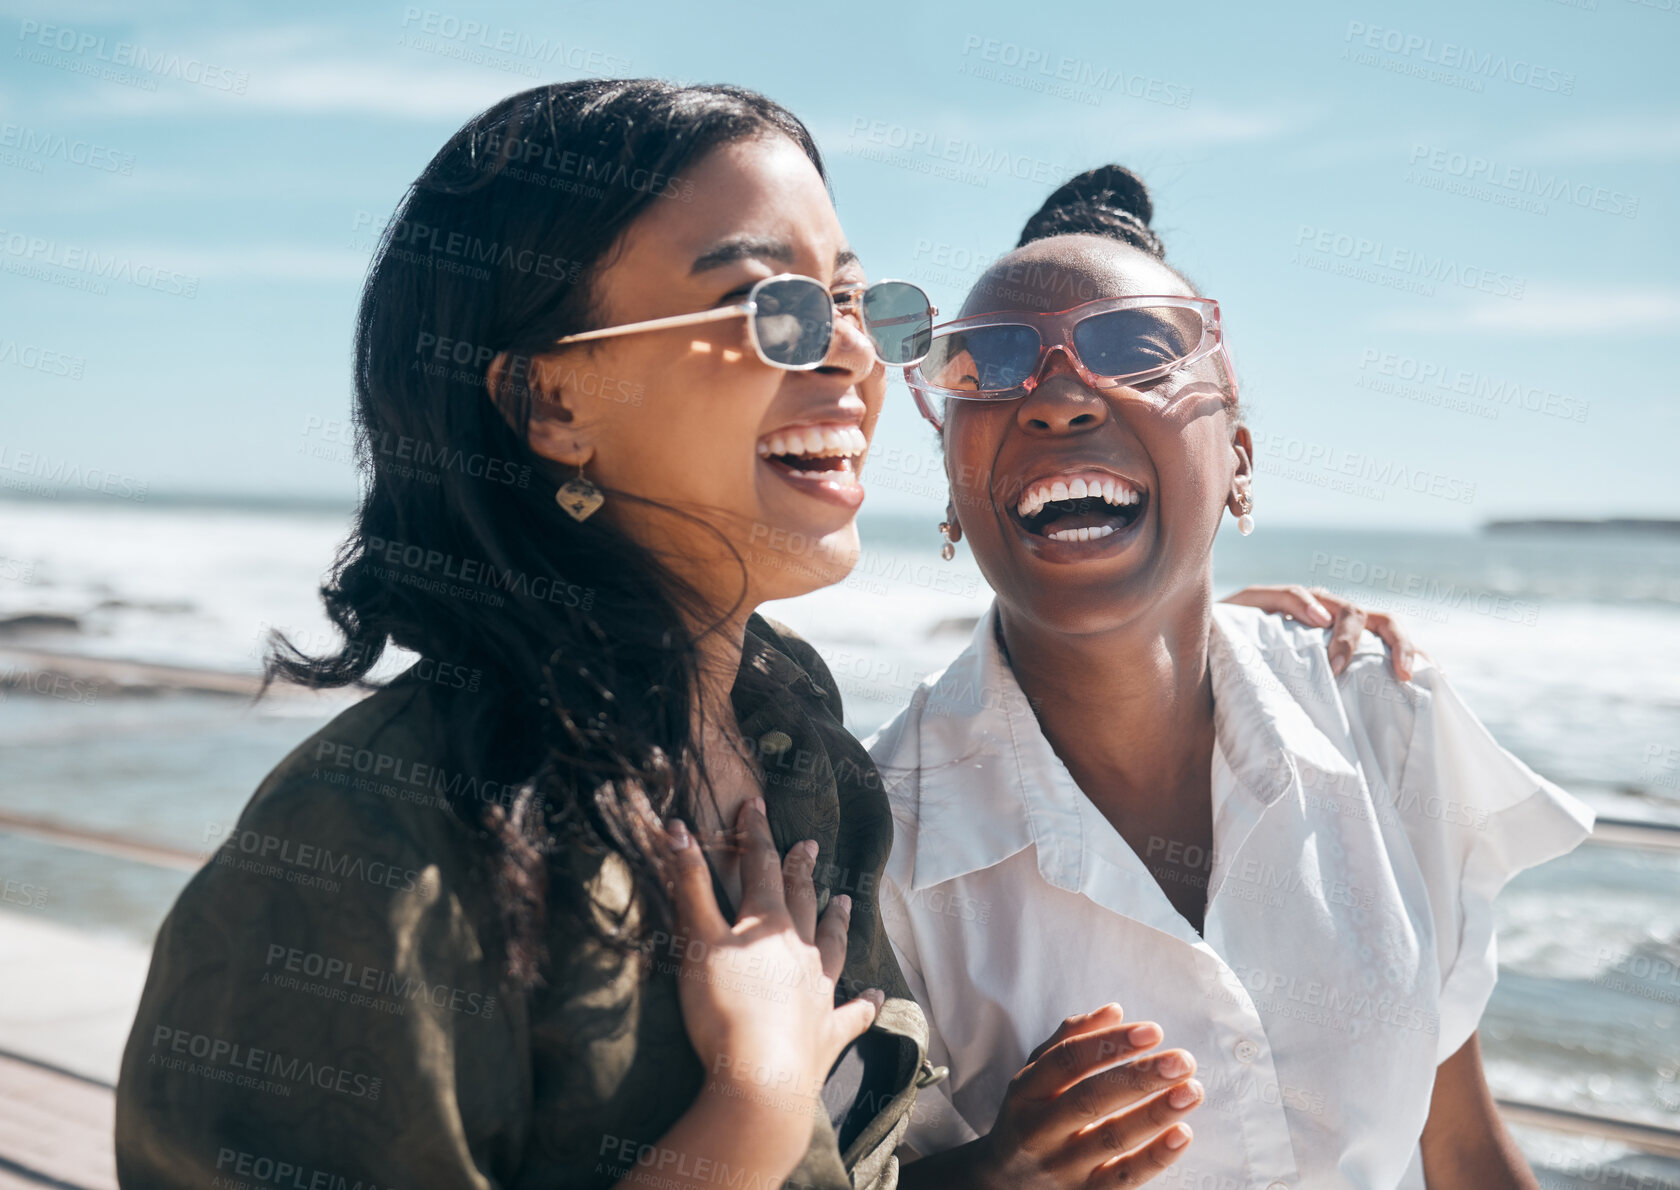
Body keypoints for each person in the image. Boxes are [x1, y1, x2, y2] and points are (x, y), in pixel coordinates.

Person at [122, 84, 1360, 1189]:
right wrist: (749, 1105)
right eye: (767, 306)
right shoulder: (374, 844)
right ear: (555, 398)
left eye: (847, 298)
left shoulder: (797, 749)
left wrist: (995, 1174)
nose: (854, 357)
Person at [872, 165, 1594, 1190]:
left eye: (1133, 348)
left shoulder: (1379, 708)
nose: (1062, 397)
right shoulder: (879, 840)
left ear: (1240, 458)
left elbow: (1461, 1145)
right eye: (989, 364)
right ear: (951, 485)